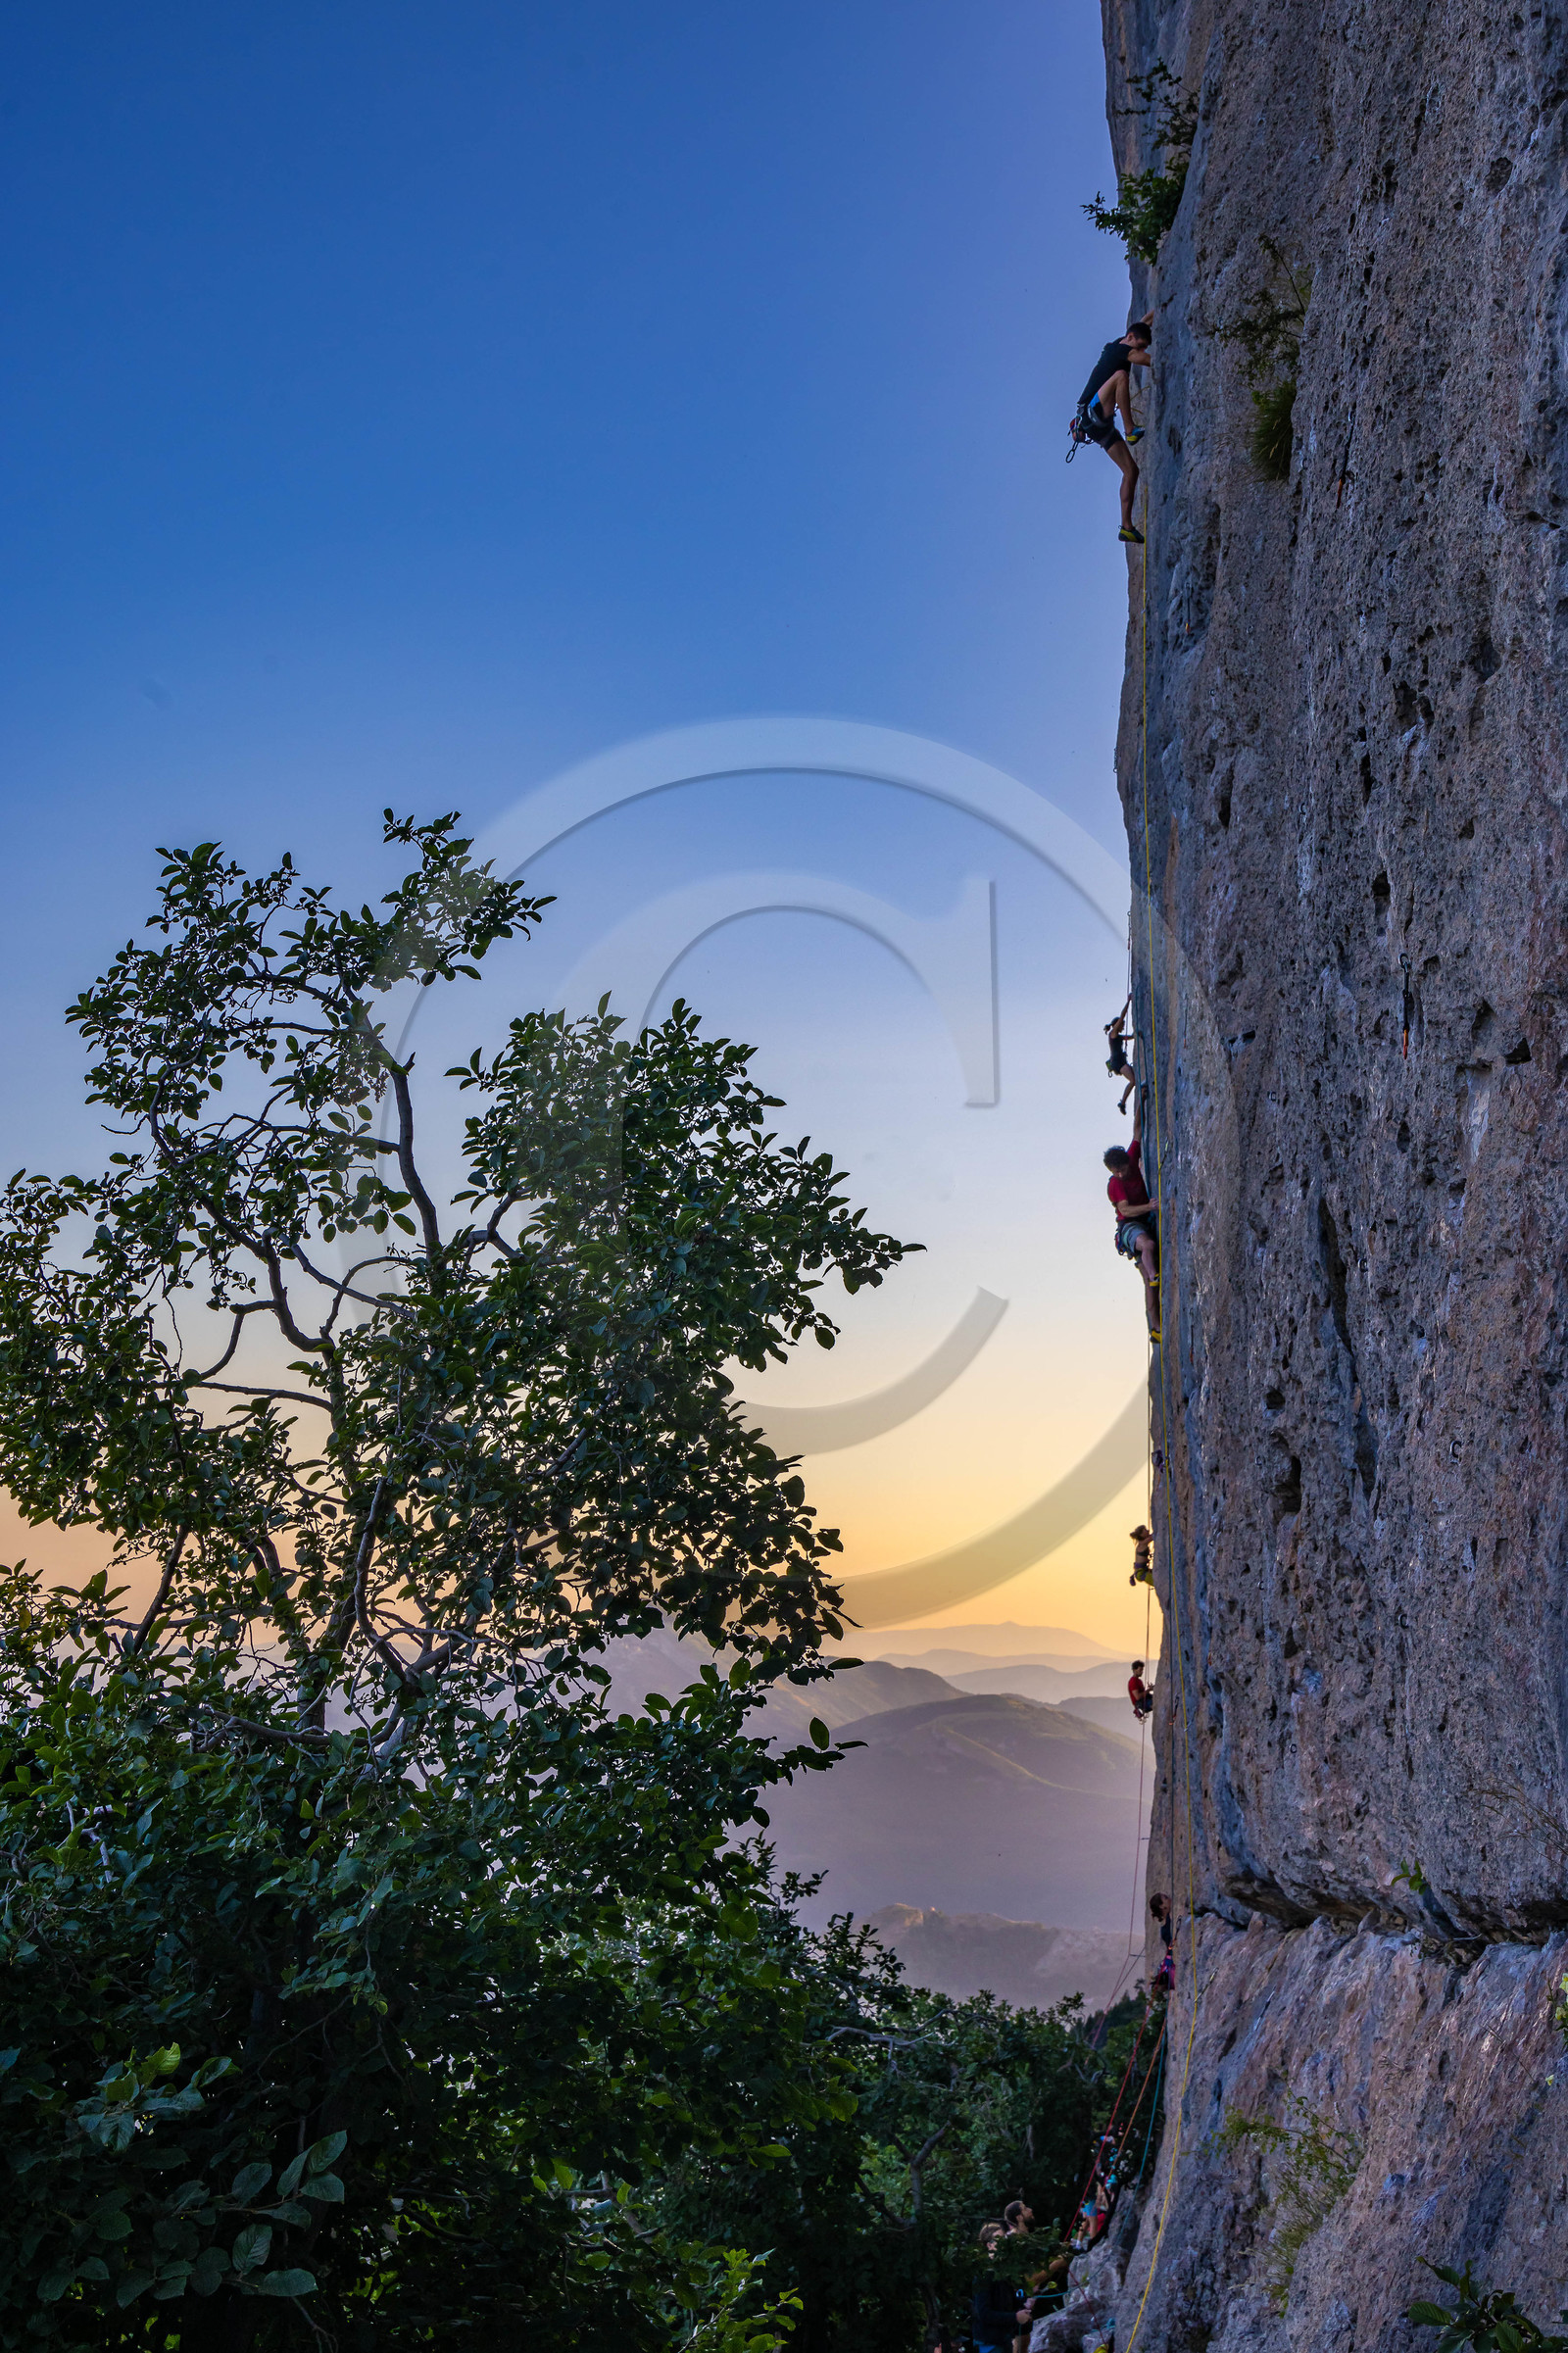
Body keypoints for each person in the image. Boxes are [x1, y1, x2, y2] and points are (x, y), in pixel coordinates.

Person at [1074, 317, 1152, 542]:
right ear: (1130, 338)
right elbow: (1146, 360)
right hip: (1090, 414)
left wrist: (1156, 312)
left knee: (1131, 472)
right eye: (1140, 346)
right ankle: (1130, 430)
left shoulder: (1116, 344)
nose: (1141, 350)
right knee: (1120, 376)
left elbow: (1142, 323)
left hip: (1100, 426)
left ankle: (1126, 527)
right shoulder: (1122, 353)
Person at [1103, 1096, 1159, 1337]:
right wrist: (1149, 1207)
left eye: (1122, 1169)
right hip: (1129, 1227)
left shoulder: (1132, 1157)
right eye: (1115, 1171)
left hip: (1142, 1219)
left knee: (1148, 1286)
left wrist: (1142, 1101)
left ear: (1128, 1161)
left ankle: (1155, 1329)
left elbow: (1137, 1131)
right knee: (1148, 1245)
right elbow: (1125, 1211)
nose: (1120, 1174)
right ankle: (1154, 1274)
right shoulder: (1115, 1184)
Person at [1104, 1001, 1137, 1114]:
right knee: (1133, 1080)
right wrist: (1128, 1001)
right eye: (1122, 1025)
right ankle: (1122, 1103)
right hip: (1118, 1062)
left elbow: (1130, 1037)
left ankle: (1123, 1102)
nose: (1123, 1027)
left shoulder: (1118, 1036)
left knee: (1135, 1079)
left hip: (1119, 1061)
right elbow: (1123, 1015)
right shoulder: (1113, 1033)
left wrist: (1137, 1034)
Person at [1151, 1891, 1175, 1989]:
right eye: (1165, 1898)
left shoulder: (1163, 1928)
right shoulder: (1169, 1922)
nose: (1168, 1898)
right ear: (1161, 1906)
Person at [1129, 1523, 1153, 1588]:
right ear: (1141, 1534)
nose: (1147, 1530)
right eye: (1145, 1530)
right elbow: (1153, 1537)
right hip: (1141, 1573)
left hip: (1142, 1571)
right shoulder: (1142, 1543)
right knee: (1158, 1582)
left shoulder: (1141, 1543)